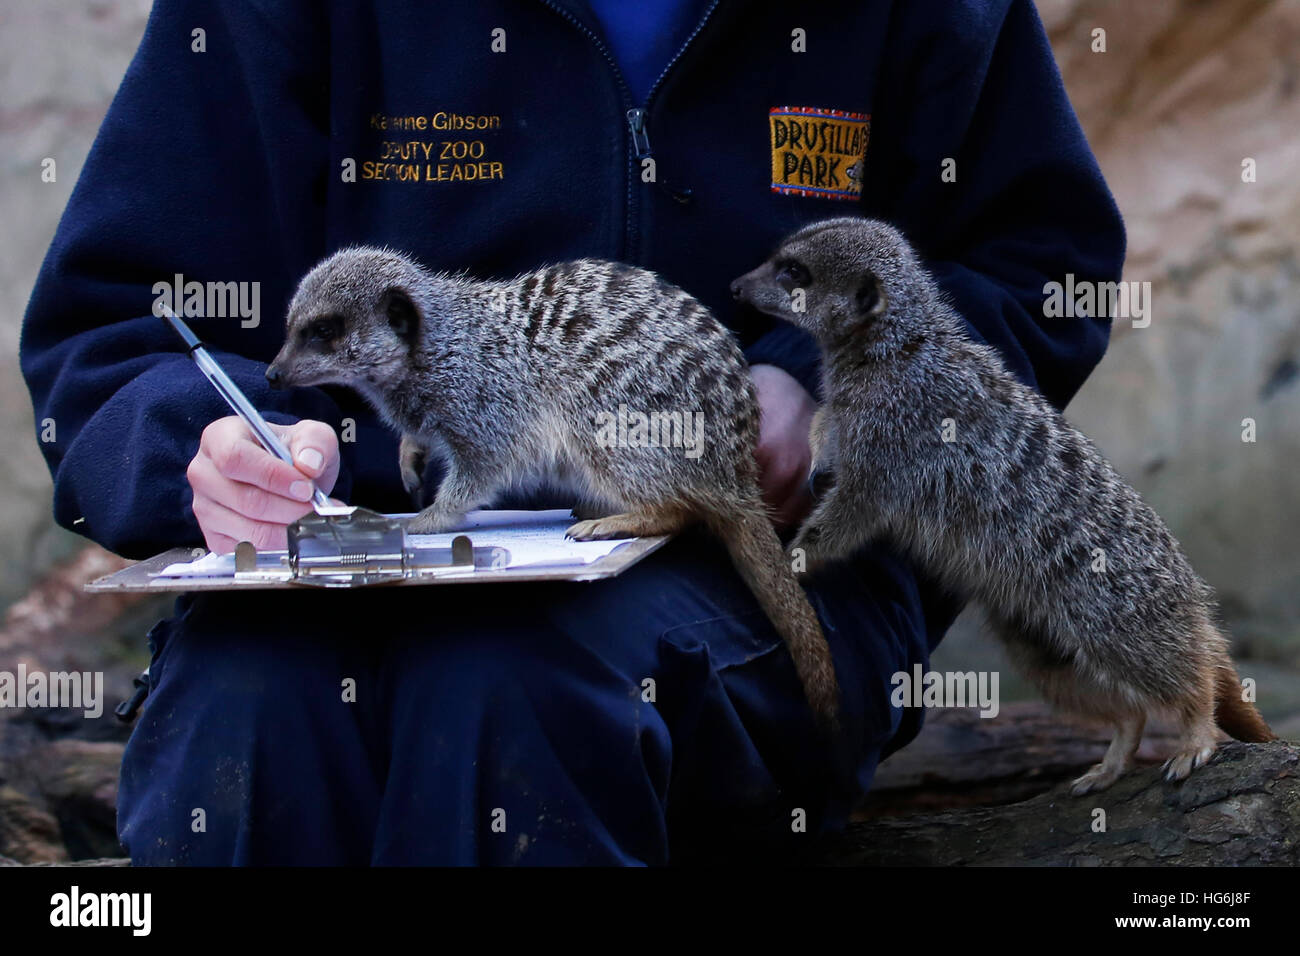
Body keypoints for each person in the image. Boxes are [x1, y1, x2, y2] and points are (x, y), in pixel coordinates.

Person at [20, 0, 1124, 865]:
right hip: (353, 558)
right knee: (246, 703)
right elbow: (113, 328)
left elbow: (1041, 263)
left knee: (516, 686)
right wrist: (205, 449)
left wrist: (822, 388)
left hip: (769, 562)